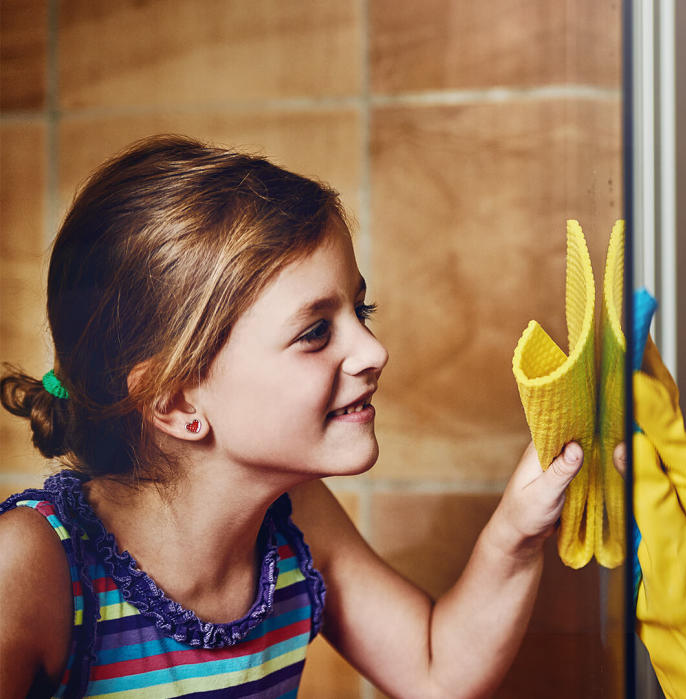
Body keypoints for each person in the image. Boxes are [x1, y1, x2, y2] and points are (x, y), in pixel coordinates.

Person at [0, 135, 584, 698]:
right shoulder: (32, 566)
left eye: (361, 309)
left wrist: (517, 534)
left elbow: (436, 673)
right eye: (315, 332)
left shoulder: (296, 518)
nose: (374, 351)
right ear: (176, 402)